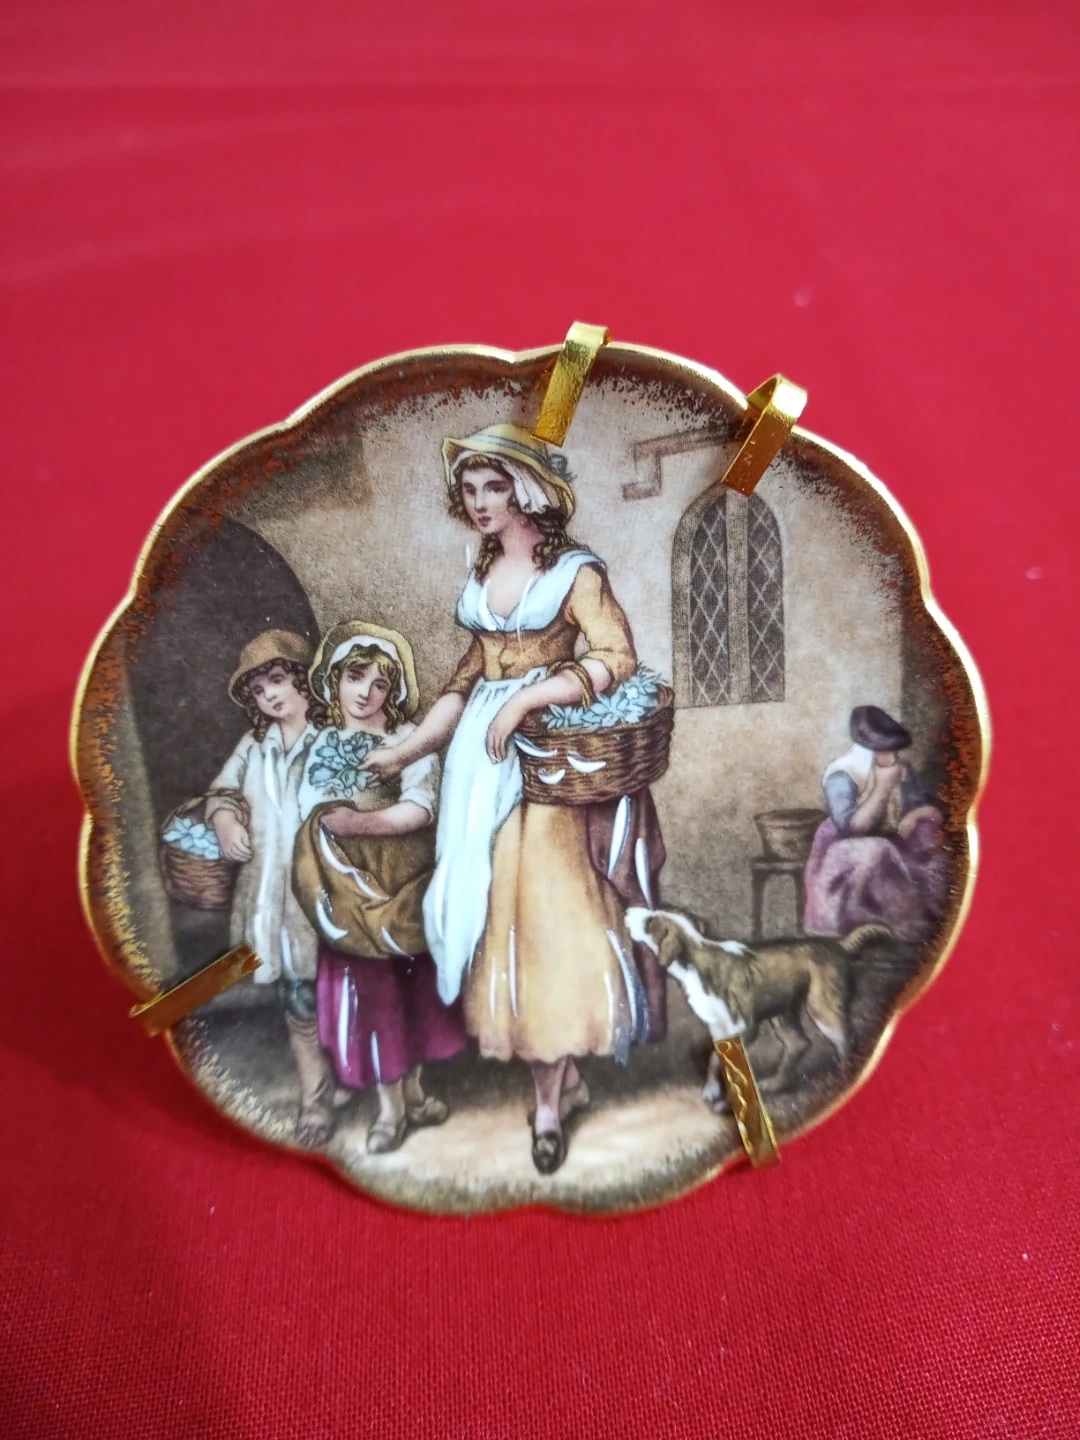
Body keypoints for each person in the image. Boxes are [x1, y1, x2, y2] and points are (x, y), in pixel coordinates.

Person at [363, 424, 665, 1175]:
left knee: (544, 923)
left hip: (546, 767)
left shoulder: (576, 573)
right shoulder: (485, 573)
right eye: (469, 490)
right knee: (489, 911)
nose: (479, 502)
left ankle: (549, 1105)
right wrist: (407, 749)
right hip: (479, 766)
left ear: (526, 491)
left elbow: (617, 657)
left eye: (493, 487)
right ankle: (559, 1084)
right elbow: (465, 681)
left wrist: (527, 700)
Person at [292, 622, 466, 1153]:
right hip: (347, 889)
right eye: (355, 677)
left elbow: (421, 808)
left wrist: (361, 822)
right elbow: (310, 811)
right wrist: (337, 825)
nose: (365, 692)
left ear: (394, 692)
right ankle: (390, 1112)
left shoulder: (408, 743)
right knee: (374, 1002)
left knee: (411, 998)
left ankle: (414, 1095)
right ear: (334, 681)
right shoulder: (320, 744)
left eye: (380, 683)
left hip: (402, 884)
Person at [205, 630, 332, 1146]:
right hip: (275, 897)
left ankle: (380, 1087)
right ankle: (315, 1101)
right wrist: (226, 823)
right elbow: (221, 791)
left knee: (343, 996)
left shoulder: (333, 736)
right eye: (259, 691)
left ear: (303, 679)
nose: (270, 696)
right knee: (298, 1001)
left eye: (277, 680)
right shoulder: (254, 746)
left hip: (327, 894)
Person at [803, 705, 949, 943]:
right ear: (867, 751)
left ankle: (916, 925)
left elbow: (924, 804)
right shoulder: (842, 775)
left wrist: (916, 814)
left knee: (932, 840)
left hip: (894, 841)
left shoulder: (900, 770)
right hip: (844, 849)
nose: (893, 758)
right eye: (885, 751)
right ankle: (859, 922)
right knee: (875, 851)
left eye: (894, 751)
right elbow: (854, 828)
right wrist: (882, 787)